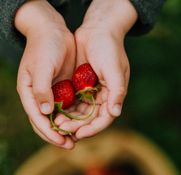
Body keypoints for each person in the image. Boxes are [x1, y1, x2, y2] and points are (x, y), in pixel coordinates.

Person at [0, 0, 165, 149]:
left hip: (105, 21)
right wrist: (31, 18)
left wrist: (114, 13)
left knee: (110, 57)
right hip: (24, 21)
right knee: (40, 65)